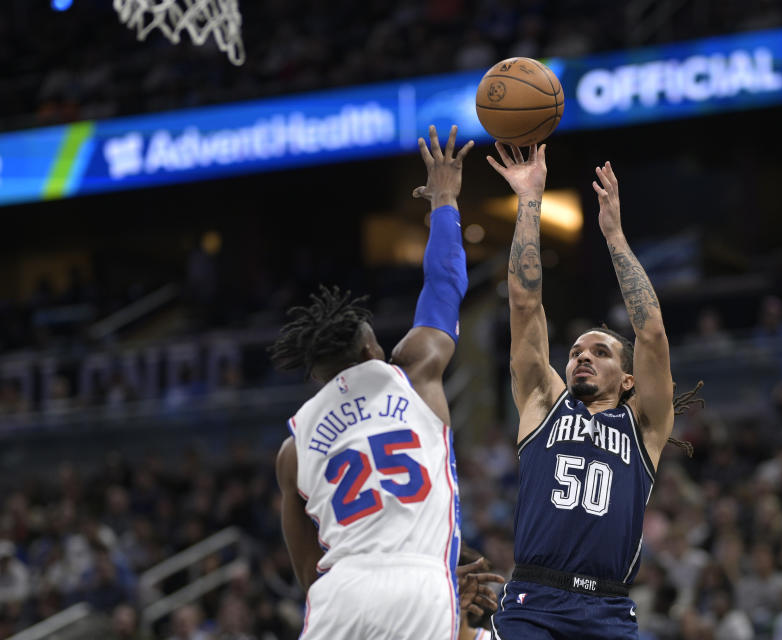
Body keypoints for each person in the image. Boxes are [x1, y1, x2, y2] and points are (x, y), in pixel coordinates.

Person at [272, 125, 480, 640]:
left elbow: (304, 569)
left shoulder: (293, 448)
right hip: (418, 583)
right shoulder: (415, 370)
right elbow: (445, 282)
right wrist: (446, 201)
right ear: (371, 349)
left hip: (340, 590)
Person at [485, 144, 700, 639]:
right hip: (531, 600)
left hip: (607, 610)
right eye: (577, 350)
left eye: (600, 352)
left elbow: (651, 334)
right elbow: (523, 303)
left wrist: (614, 235)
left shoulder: (644, 426)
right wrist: (530, 200)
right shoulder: (544, 403)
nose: (583, 355)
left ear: (629, 380)